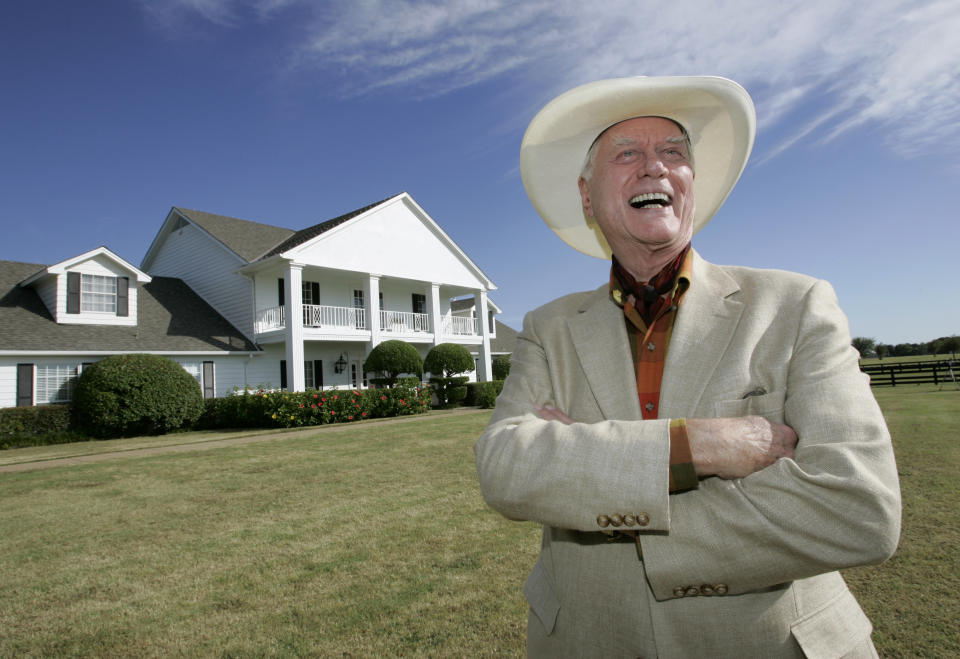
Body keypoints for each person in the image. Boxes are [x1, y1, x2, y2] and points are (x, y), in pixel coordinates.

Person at [474, 76, 901, 658]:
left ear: (690, 184)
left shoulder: (795, 305)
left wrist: (596, 476)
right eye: (627, 154)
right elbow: (506, 468)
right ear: (586, 194)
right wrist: (696, 448)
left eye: (673, 152)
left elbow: (859, 508)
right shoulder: (548, 328)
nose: (655, 167)